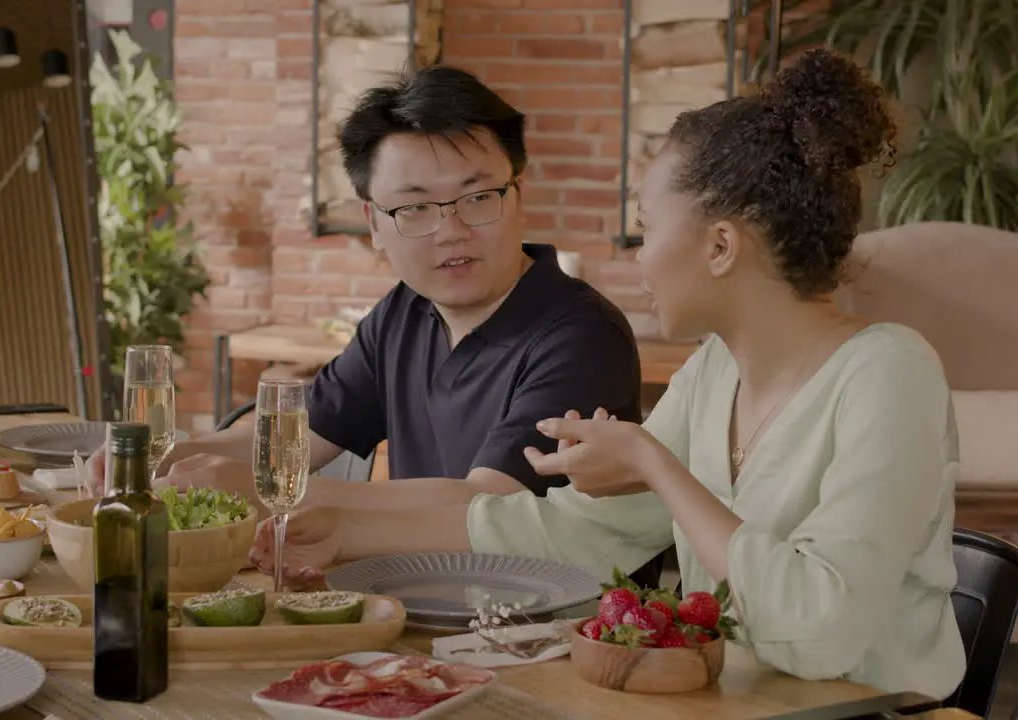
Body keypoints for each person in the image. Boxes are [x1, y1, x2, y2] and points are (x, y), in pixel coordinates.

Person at [248, 48, 967, 700]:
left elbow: (819, 631)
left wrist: (655, 464)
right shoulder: (715, 372)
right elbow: (578, 534)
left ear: (721, 246)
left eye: (648, 228)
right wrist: (345, 532)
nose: (637, 259)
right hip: (735, 704)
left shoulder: (889, 373)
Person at [90, 66, 642, 513]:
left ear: (518, 194)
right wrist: (153, 456)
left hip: (544, 629)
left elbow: (485, 504)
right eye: (416, 207)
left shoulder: (580, 334)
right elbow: (295, 442)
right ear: (375, 222)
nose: (451, 230)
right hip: (419, 604)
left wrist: (266, 494)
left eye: (478, 197)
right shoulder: (405, 311)